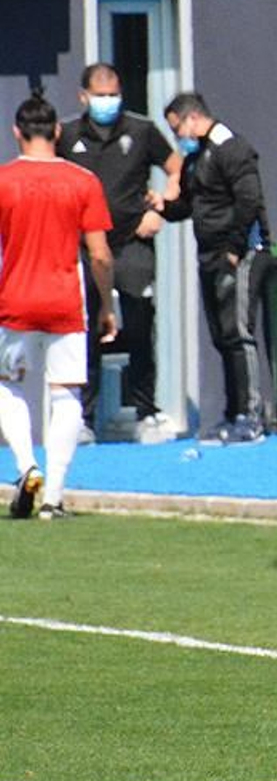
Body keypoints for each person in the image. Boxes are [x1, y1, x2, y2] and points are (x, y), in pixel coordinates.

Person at [0, 91, 117, 520]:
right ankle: (54, 496)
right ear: (58, 131)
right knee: (66, 393)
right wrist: (107, 303)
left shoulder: (3, 180)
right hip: (66, 301)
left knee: (7, 385)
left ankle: (26, 466)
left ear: (16, 133)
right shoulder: (83, 182)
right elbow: (100, 255)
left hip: (14, 300)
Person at [57, 62, 183, 444]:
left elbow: (177, 167)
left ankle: (146, 411)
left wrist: (161, 204)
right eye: (100, 95)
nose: (107, 102)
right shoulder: (68, 134)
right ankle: (85, 417)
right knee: (87, 330)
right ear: (84, 97)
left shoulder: (141, 131)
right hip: (83, 247)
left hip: (131, 241)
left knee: (141, 323)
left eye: (113, 95)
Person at [160, 92, 271, 445]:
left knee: (239, 332)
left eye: (178, 128)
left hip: (240, 252)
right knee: (222, 336)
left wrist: (236, 248)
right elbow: (192, 204)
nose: (179, 137)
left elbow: (249, 199)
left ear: (192, 118)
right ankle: (232, 412)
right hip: (209, 254)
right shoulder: (197, 157)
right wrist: (162, 206)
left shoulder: (230, 147)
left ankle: (251, 415)